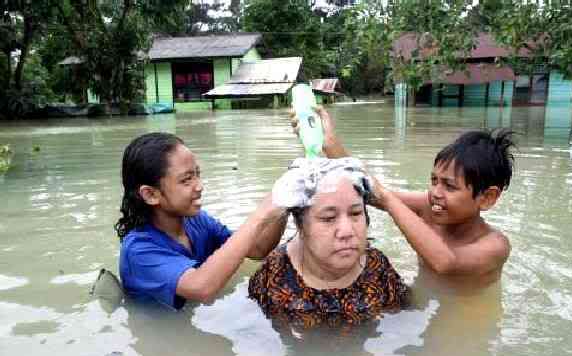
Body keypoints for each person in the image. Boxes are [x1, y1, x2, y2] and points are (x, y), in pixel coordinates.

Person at [291, 107, 515, 283]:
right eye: (434, 181)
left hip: (467, 321)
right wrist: (329, 144)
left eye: (449, 186)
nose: (435, 193)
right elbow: (372, 193)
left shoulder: (495, 245)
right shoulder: (429, 206)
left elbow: (445, 262)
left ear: (487, 198)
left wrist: (388, 200)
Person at [115, 132, 287, 310]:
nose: (200, 186)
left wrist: (285, 199)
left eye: (198, 174)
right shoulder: (138, 251)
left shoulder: (196, 220)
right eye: (187, 179)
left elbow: (258, 249)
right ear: (151, 194)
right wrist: (259, 216)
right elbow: (201, 288)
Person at [248, 157, 411, 327]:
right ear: (300, 225)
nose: (347, 231)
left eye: (355, 213)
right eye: (329, 218)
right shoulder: (275, 275)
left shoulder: (378, 269)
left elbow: (400, 324)